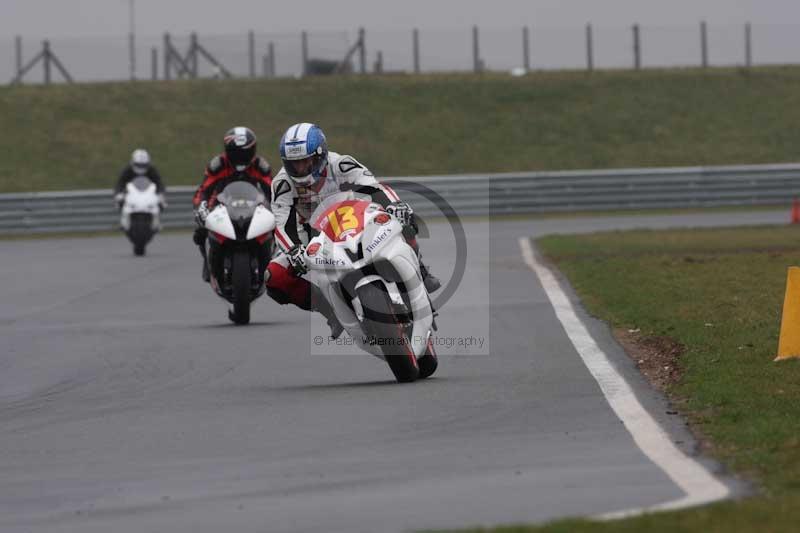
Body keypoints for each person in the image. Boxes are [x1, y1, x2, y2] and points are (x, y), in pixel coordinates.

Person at [266, 122, 440, 338]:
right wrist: (294, 251)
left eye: (305, 161)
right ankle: (330, 312)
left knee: (402, 219)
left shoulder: (341, 164)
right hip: (311, 232)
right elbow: (282, 223)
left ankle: (420, 271)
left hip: (354, 218)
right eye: (294, 164)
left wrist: (395, 206)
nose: (300, 169)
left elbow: (374, 187)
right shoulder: (282, 183)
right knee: (274, 277)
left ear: (320, 155)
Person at [192, 127, 273, 282]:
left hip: (253, 205)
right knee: (200, 229)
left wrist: (275, 209)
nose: (240, 157)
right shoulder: (218, 165)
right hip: (221, 204)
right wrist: (201, 206)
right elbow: (203, 190)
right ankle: (207, 262)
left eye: (244, 152)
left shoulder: (260, 166)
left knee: (275, 227)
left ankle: (273, 263)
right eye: (236, 152)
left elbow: (272, 190)